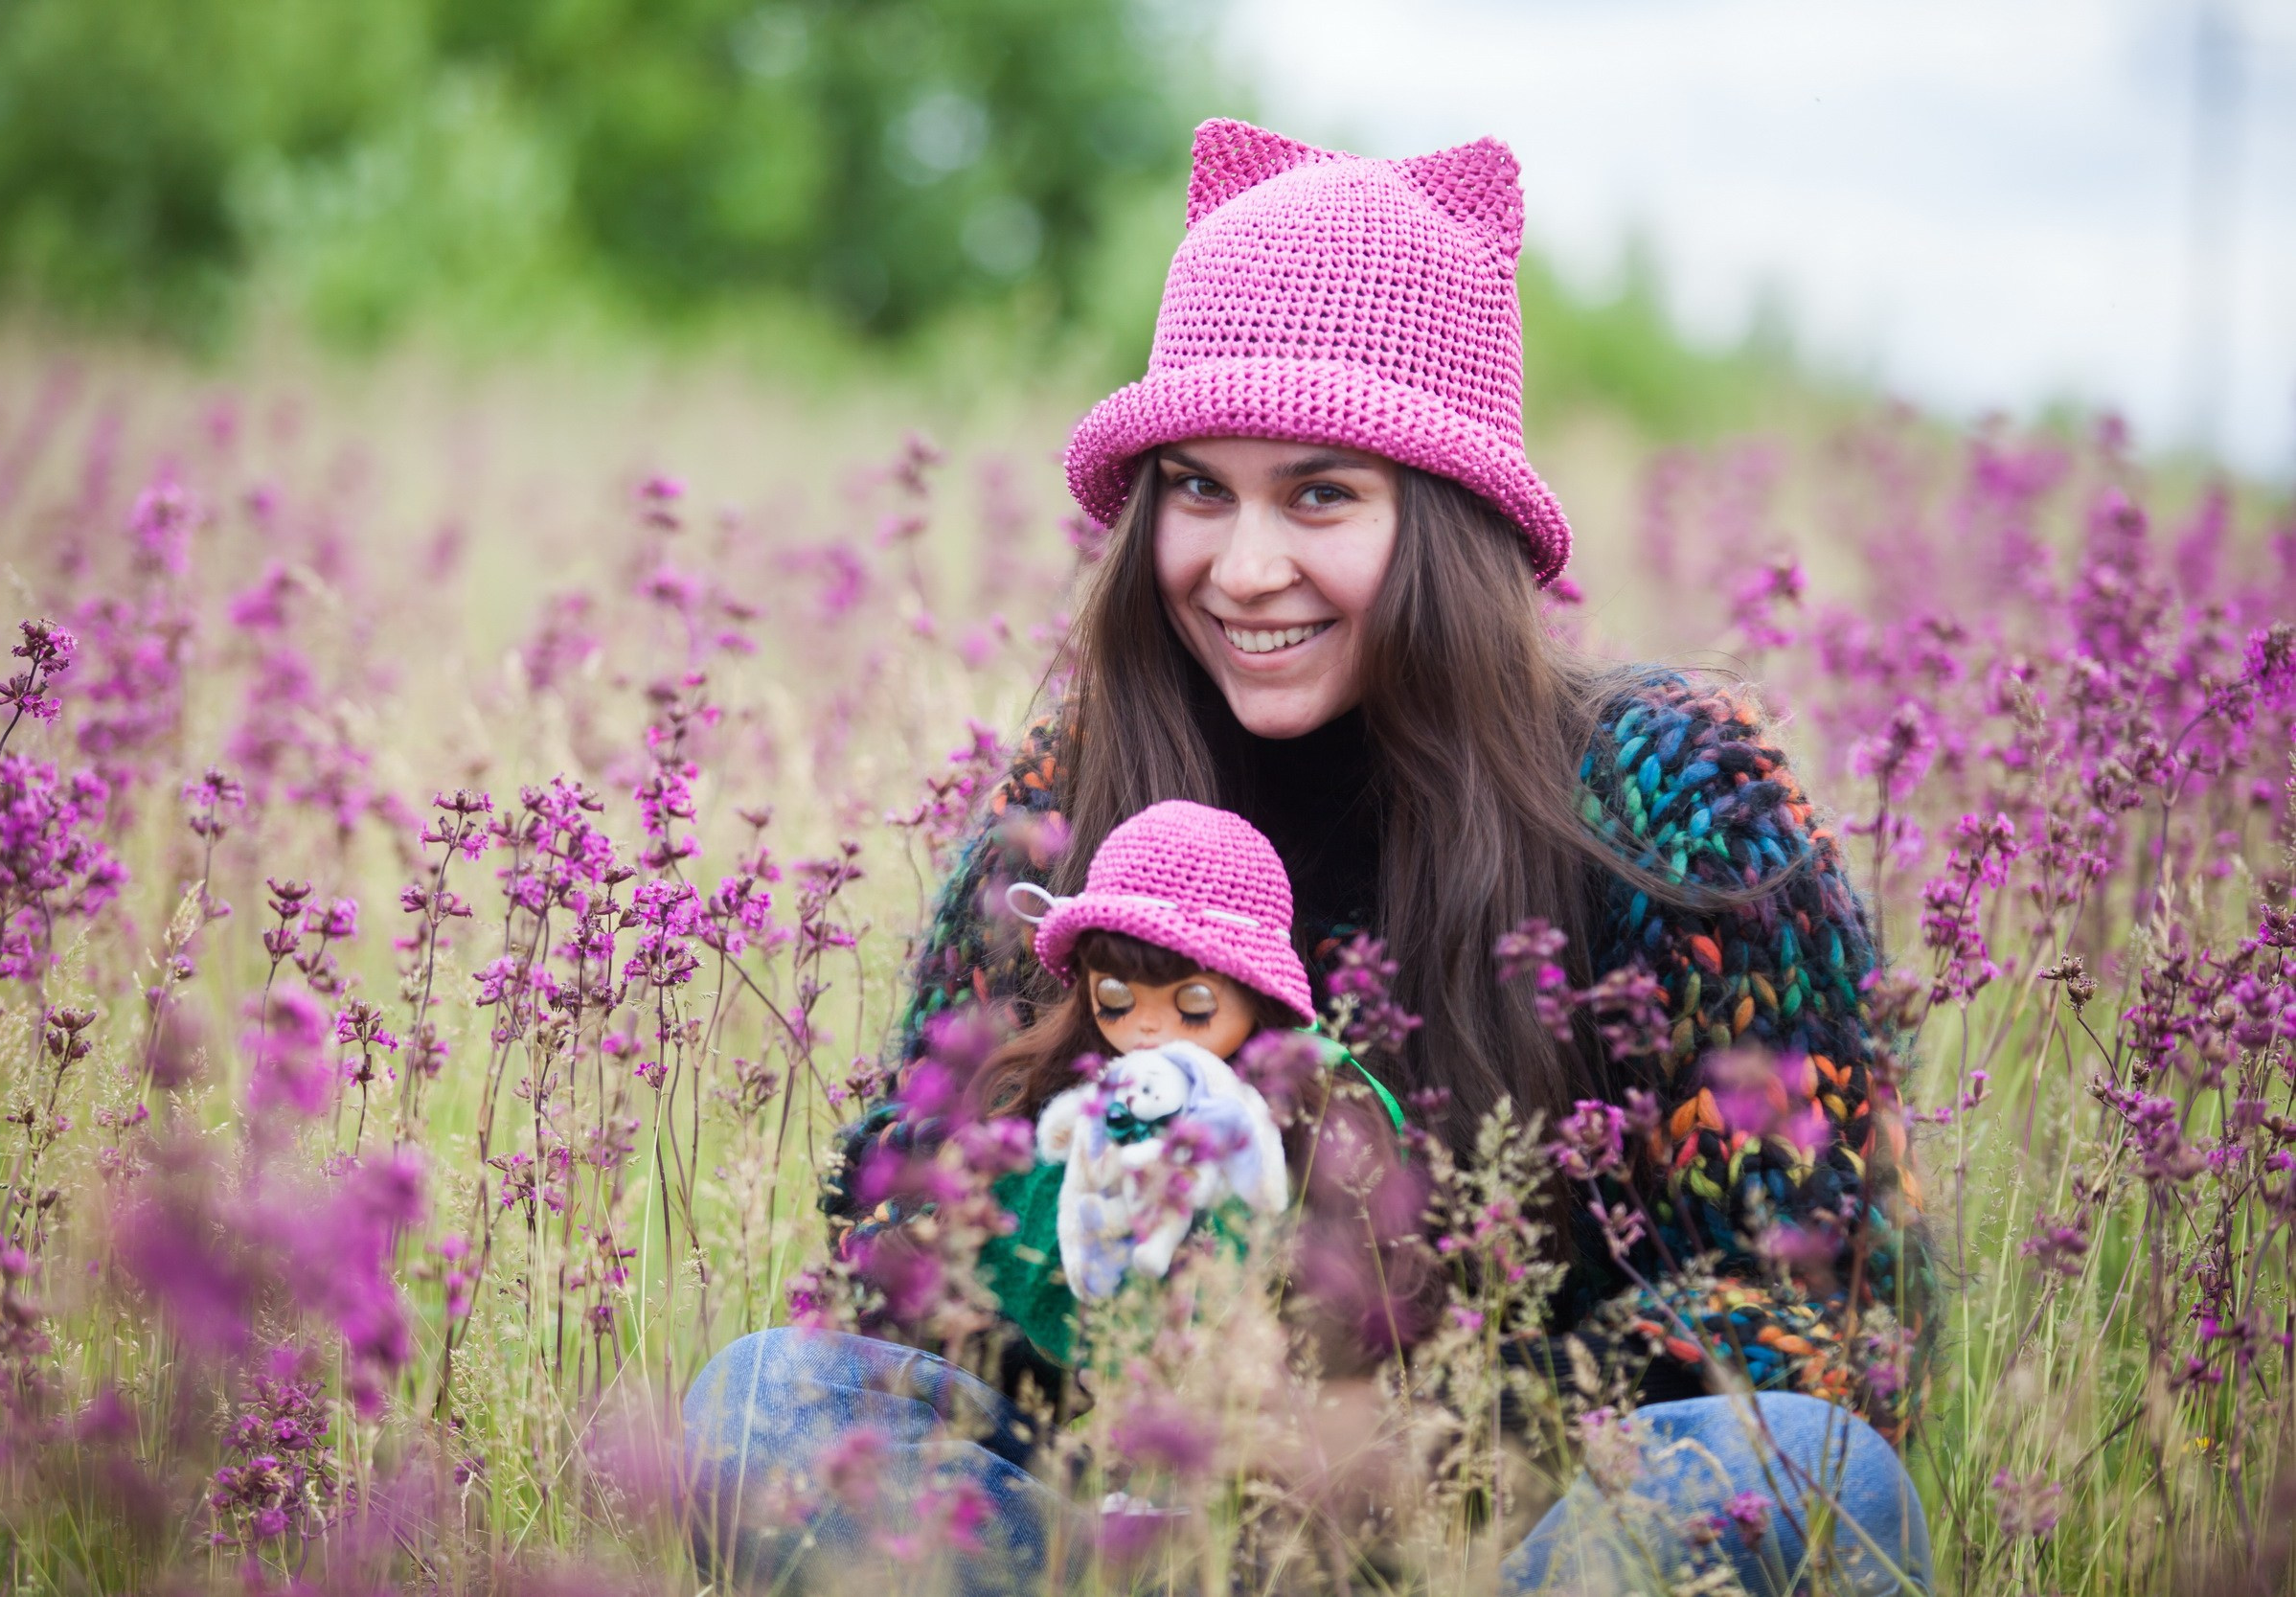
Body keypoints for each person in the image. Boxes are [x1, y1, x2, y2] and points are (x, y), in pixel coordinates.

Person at [685, 118, 1937, 1595]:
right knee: (775, 1405)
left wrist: (1432, 1440)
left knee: (1796, 1474)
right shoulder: (1079, 786)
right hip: (1131, 1531)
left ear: (1452, 522)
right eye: (1198, 488)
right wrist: (1119, 1338)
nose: (1243, 566)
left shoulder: (1674, 790)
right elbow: (903, 1234)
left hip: (1534, 1542)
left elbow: (1835, 1305)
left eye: (1321, 493)